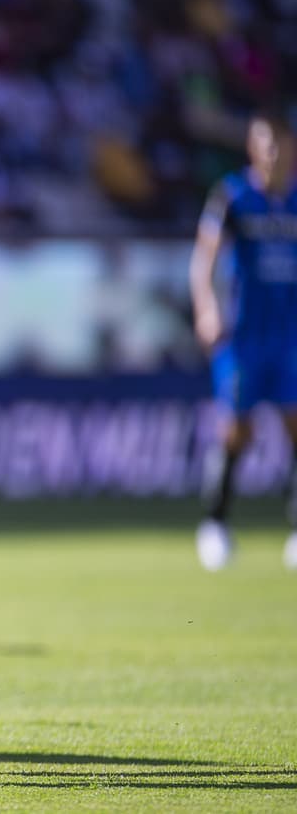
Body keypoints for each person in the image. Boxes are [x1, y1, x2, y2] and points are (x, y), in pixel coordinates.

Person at [190, 109, 297, 572]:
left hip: (290, 335)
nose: (273, 154)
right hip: (245, 336)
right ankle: (215, 523)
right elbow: (204, 260)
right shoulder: (233, 196)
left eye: (280, 144)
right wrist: (207, 308)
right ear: (254, 149)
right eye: (265, 144)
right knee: (237, 429)